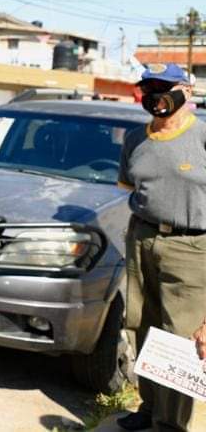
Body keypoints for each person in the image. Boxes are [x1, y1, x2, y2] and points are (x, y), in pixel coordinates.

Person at [116, 63, 206, 432]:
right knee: (142, 325)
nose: (157, 96)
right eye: (150, 88)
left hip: (190, 245)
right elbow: (130, 187)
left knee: (179, 338)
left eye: (165, 87)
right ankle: (150, 407)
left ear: (187, 91)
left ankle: (171, 424)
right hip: (142, 238)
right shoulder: (135, 140)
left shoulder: (202, 136)